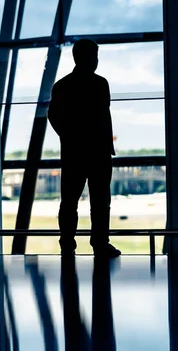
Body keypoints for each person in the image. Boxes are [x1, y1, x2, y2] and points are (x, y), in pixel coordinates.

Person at [48, 39, 121, 258]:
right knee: (100, 202)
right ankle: (99, 243)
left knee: (69, 201)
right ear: (90, 58)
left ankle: (67, 244)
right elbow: (102, 116)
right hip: (98, 152)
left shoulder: (62, 85)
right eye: (95, 56)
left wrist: (69, 136)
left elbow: (53, 116)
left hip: (73, 152)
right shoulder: (100, 84)